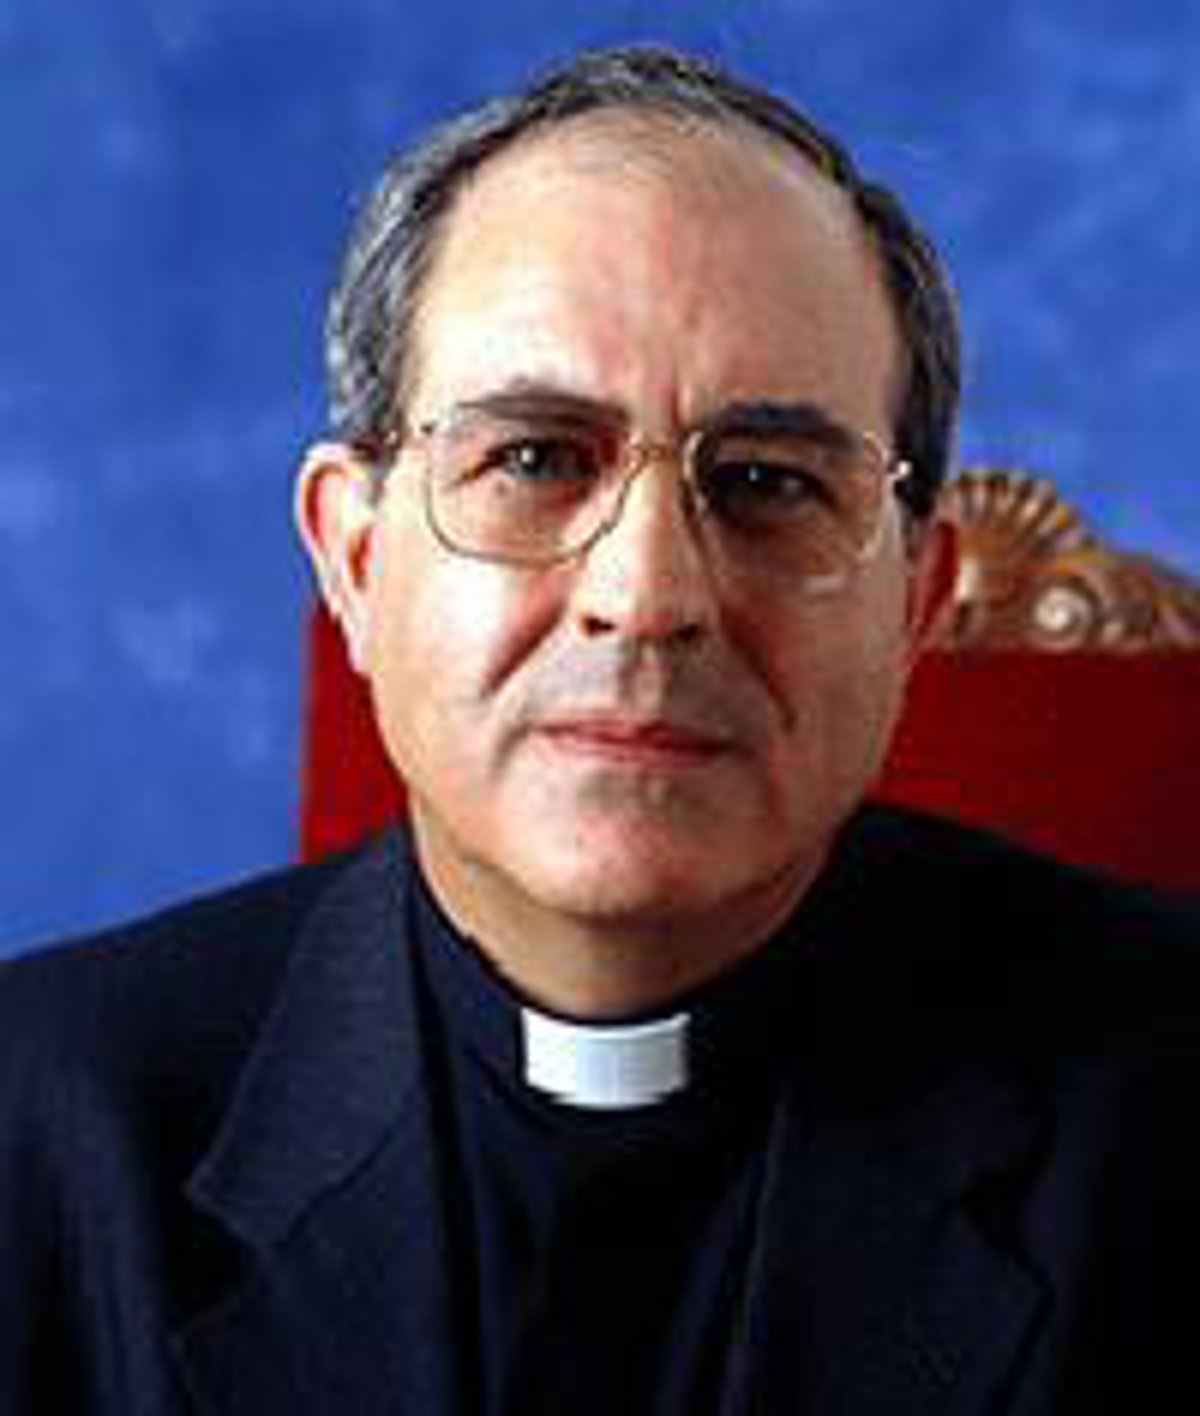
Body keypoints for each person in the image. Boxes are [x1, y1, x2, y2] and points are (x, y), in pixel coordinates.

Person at [1, 43, 1197, 1416]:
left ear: (913, 600)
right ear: (357, 557)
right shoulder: (41, 1130)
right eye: (535, 459)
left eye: (766, 483)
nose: (649, 595)